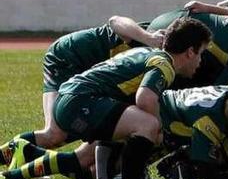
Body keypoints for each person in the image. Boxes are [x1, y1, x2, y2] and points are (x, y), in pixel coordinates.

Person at [0, 18, 212, 179]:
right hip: (78, 101)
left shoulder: (146, 53)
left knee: (102, 143)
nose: (201, 61)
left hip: (73, 99)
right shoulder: (164, 64)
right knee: (147, 124)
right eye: (201, 53)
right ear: (190, 52)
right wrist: (159, 130)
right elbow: (145, 99)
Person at [0, 18, 164, 161]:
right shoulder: (157, 34)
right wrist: (149, 38)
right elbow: (115, 20)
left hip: (90, 76)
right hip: (68, 57)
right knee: (55, 133)